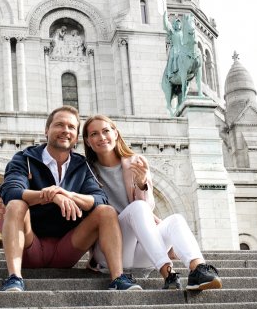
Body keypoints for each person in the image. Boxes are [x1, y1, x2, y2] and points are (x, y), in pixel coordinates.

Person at [0, 106, 142, 292]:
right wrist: (51, 196)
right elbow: (10, 191)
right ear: (46, 130)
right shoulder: (24, 159)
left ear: (76, 136)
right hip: (30, 245)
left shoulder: (82, 165)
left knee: (106, 211)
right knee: (16, 205)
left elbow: (99, 198)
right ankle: (14, 278)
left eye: (71, 127)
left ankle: (118, 278)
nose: (66, 130)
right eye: (59, 125)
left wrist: (67, 194)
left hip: (67, 249)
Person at [83, 114, 222, 291]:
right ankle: (168, 273)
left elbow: (146, 209)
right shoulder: (85, 169)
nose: (102, 137)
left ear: (115, 133)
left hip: (143, 253)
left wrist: (142, 184)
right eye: (94, 134)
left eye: (106, 131)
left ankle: (198, 269)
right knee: (137, 208)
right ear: (87, 141)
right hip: (109, 252)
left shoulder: (136, 162)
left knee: (175, 220)